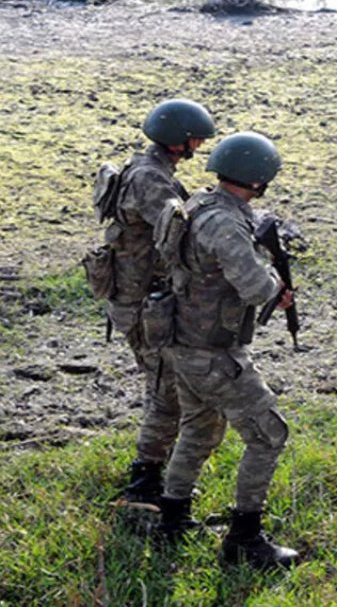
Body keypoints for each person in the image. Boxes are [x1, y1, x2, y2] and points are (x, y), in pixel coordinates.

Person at [155, 132, 299, 569]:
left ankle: (172, 520)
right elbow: (255, 288)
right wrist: (276, 284)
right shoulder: (226, 223)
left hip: (182, 340)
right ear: (260, 178)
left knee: (199, 430)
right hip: (214, 351)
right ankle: (245, 540)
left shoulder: (197, 203)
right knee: (269, 435)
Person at [95, 99, 216, 506]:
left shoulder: (142, 168)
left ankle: (152, 473)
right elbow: (180, 231)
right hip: (144, 305)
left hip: (135, 300)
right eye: (195, 139)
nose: (199, 145)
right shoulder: (152, 181)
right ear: (178, 141)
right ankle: (144, 483)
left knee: (165, 387)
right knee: (166, 391)